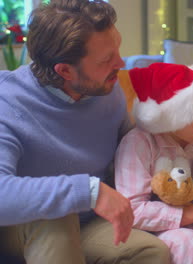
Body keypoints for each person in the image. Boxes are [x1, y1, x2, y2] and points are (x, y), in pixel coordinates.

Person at [0, 1, 170, 263]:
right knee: (56, 219)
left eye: (117, 49)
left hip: (87, 222)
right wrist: (90, 191)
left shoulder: (105, 89)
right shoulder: (7, 102)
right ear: (65, 70)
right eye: (106, 59)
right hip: (21, 228)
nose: (120, 63)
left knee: (151, 252)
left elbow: (129, 149)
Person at [114, 62, 193, 264]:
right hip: (158, 227)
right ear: (173, 117)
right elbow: (133, 210)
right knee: (186, 240)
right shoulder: (138, 143)